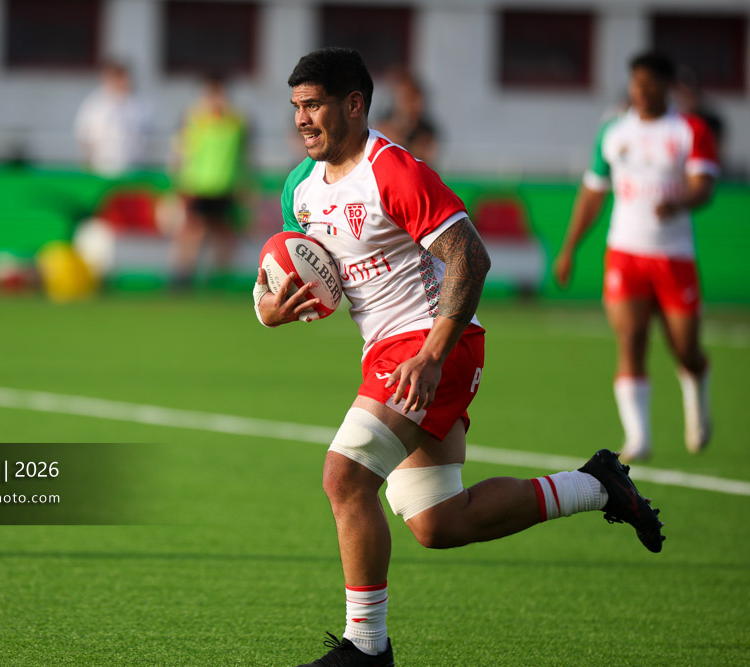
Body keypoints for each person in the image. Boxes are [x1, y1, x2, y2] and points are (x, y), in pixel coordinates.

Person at [253, 48, 664, 667]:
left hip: (431, 344)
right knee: (440, 523)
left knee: (344, 477)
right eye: (296, 108)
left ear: (355, 105)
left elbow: (469, 255)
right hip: (386, 352)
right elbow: (281, 273)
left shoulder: (393, 170)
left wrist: (434, 353)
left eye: (314, 106)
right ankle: (597, 486)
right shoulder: (300, 189)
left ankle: (368, 649)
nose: (302, 120)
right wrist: (269, 309)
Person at [554, 52, 719, 463]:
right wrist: (570, 248)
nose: (641, 92)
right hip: (625, 253)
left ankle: (697, 383)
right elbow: (593, 191)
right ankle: (638, 438)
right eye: (635, 84)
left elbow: (704, 186)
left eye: (649, 84)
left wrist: (681, 202)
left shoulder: (689, 129)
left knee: (685, 349)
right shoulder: (613, 130)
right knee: (630, 340)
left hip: (674, 255)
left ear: (667, 85)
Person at [170, 74, 248, 287]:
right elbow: (181, 152)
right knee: (192, 232)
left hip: (226, 186)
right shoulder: (194, 118)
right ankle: (182, 277)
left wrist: (245, 186)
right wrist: (181, 183)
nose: (214, 100)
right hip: (198, 185)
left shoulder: (237, 121)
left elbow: (245, 156)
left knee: (223, 235)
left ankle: (219, 280)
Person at [73, 61, 148, 177]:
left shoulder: (139, 106)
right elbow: (83, 139)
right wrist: (87, 169)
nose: (125, 82)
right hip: (101, 172)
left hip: (133, 172)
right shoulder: (94, 105)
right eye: (119, 77)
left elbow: (150, 139)